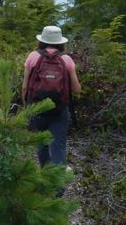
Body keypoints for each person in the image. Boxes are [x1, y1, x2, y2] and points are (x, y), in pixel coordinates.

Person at [22, 26, 82, 175]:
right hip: (59, 110)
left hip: (37, 108)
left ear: (41, 40)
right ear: (60, 42)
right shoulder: (66, 59)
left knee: (41, 145)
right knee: (58, 147)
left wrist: (27, 106)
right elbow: (77, 89)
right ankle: (58, 184)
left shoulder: (33, 56)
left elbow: (25, 87)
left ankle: (45, 175)